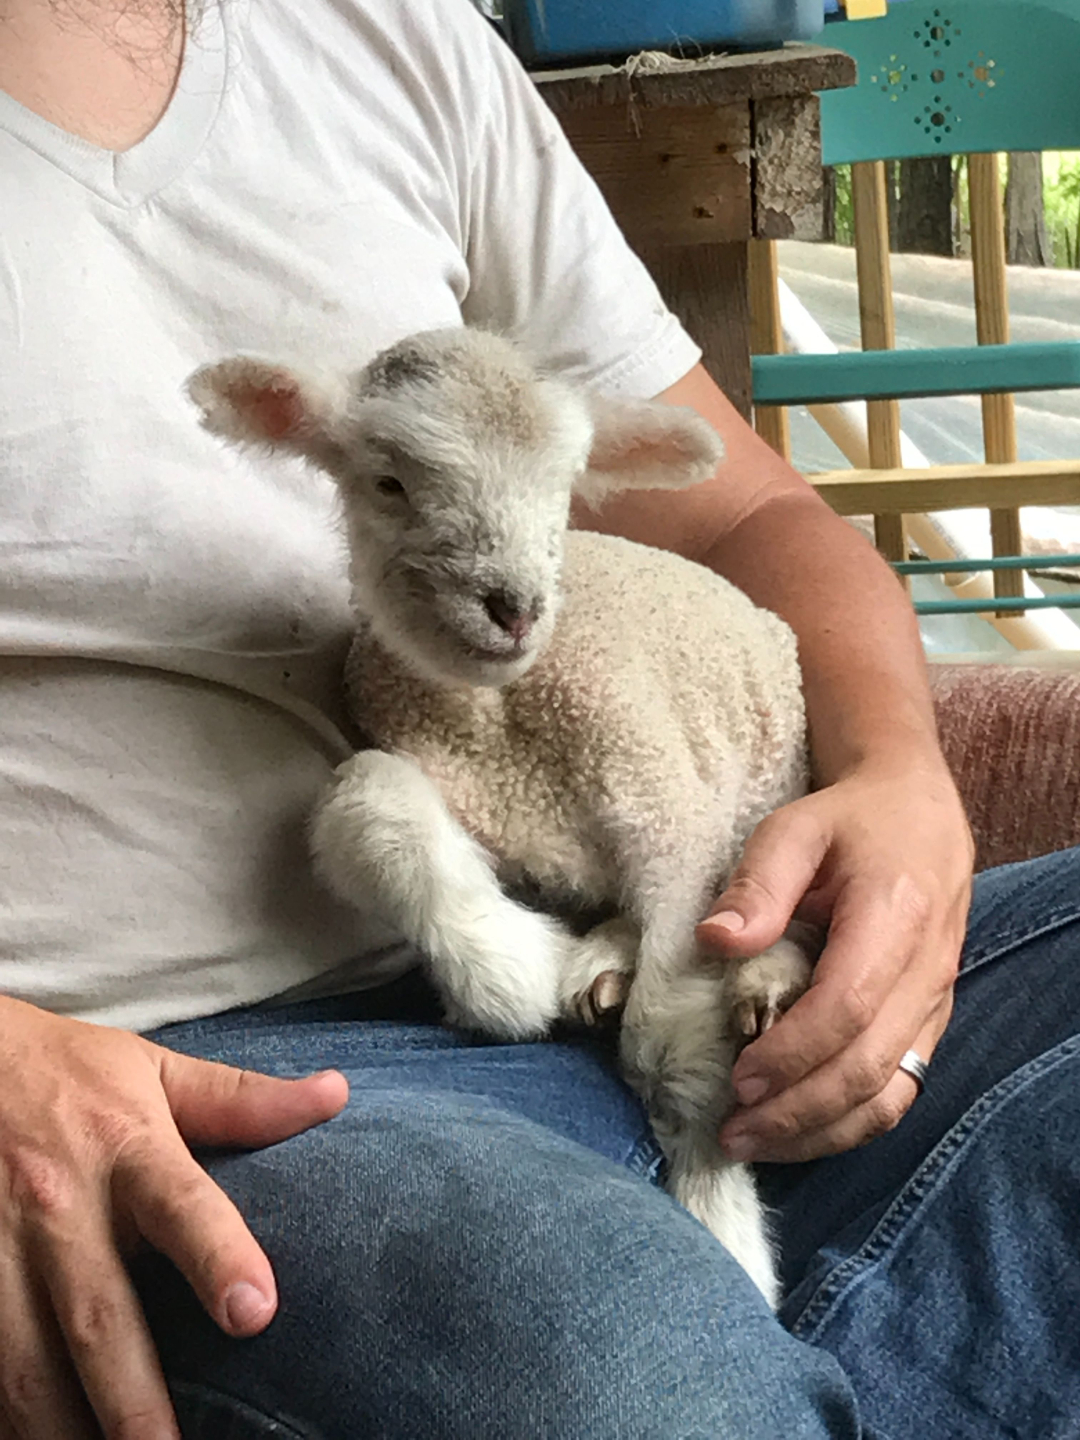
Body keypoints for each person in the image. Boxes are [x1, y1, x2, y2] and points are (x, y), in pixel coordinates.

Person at [0, 0, 1076, 1435]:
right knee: (645, 1390)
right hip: (181, 1073)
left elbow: (741, 510)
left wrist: (896, 773)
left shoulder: (388, 37)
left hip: (615, 949)